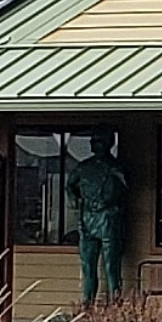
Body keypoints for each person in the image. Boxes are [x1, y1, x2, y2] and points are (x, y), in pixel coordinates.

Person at [65, 127, 128, 305]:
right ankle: (87, 304)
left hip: (108, 218)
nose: (93, 144)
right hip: (87, 219)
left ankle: (115, 304)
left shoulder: (116, 167)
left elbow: (126, 187)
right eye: (92, 141)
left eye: (98, 141)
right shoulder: (84, 167)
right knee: (88, 266)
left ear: (108, 143)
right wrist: (74, 201)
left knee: (111, 266)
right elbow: (70, 185)